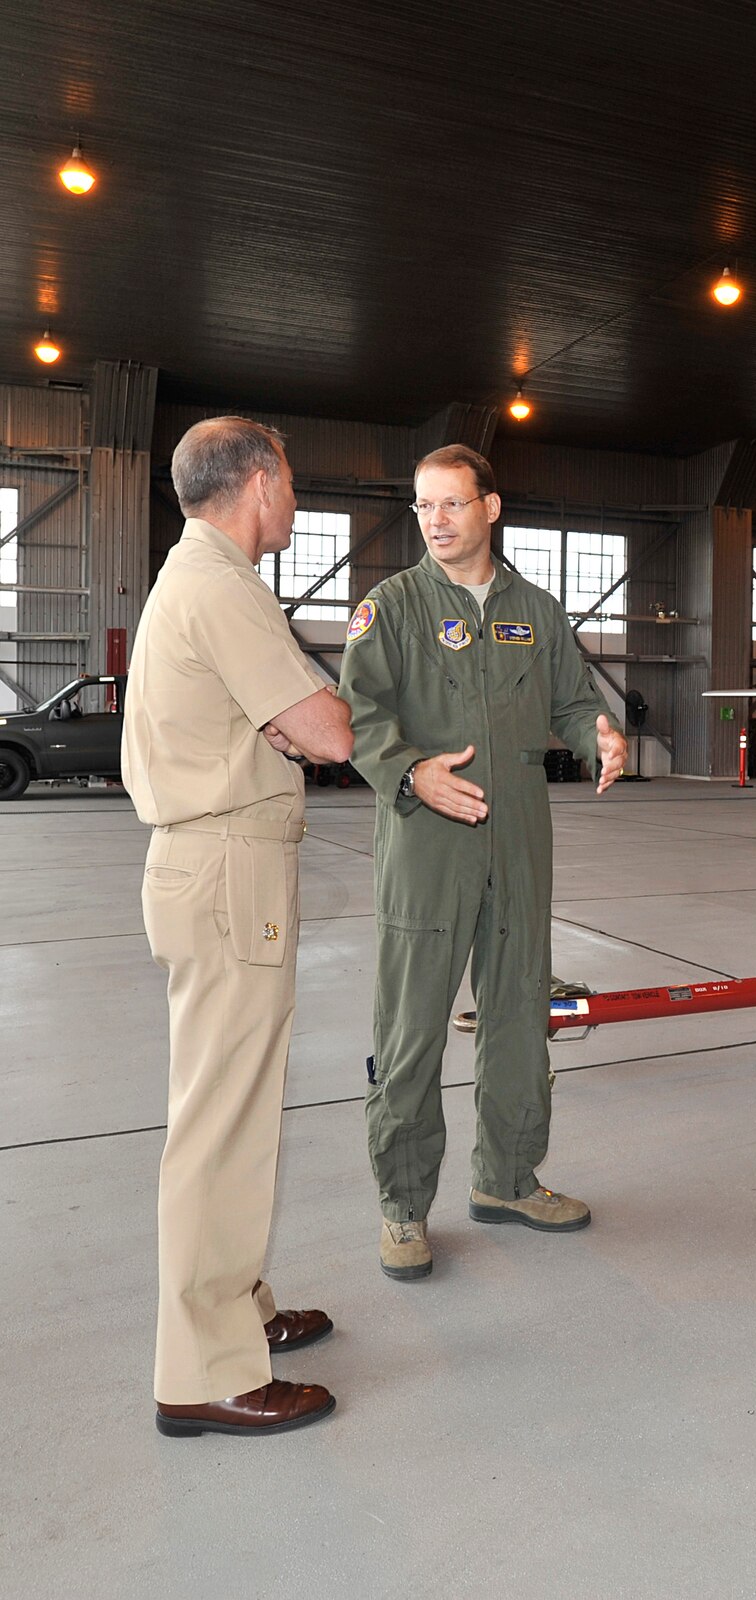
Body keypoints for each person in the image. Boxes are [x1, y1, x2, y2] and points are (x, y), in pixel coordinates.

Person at [339, 444, 626, 1280]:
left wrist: (598, 734)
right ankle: (402, 1208)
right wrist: (409, 771)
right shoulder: (389, 606)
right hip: (426, 845)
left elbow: (574, 702)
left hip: (520, 840)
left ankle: (506, 1179)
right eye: (423, 506)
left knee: (514, 1020)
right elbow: (360, 713)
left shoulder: (535, 610)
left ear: (490, 509)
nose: (434, 521)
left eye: (452, 504)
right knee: (412, 1031)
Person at [126, 417, 355, 1437]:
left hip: (214, 865)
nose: (296, 501)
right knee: (220, 1122)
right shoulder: (222, 585)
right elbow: (326, 729)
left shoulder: (200, 577)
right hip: (226, 869)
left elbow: (284, 722)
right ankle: (205, 1370)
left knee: (230, 1106)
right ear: (257, 481)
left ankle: (239, 1307)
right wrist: (314, 710)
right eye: (293, 481)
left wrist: (288, 718)